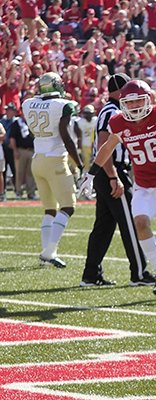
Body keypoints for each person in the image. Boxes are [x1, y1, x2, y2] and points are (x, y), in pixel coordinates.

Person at [78, 58, 156, 295]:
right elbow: (107, 147)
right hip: (144, 187)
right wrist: (92, 174)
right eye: (129, 103)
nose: (133, 107)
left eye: (137, 102)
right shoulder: (119, 121)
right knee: (140, 222)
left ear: (148, 100)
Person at [80, 73, 154, 288]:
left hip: (110, 171)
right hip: (111, 171)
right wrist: (114, 176)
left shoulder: (112, 110)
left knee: (103, 225)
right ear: (121, 91)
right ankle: (139, 273)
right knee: (131, 221)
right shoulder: (112, 112)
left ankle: (91, 274)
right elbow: (105, 146)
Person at [22, 72, 84, 269]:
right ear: (56, 85)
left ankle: (45, 253)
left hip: (37, 160)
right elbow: (66, 136)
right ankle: (49, 252)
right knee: (67, 207)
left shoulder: (28, 103)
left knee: (50, 209)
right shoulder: (63, 105)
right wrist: (79, 163)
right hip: (55, 160)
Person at [9, 110, 37, 200]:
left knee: (31, 173)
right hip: (21, 150)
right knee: (19, 173)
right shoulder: (17, 123)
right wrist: (15, 150)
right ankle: (18, 192)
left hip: (32, 150)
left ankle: (31, 192)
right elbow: (12, 138)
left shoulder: (33, 123)